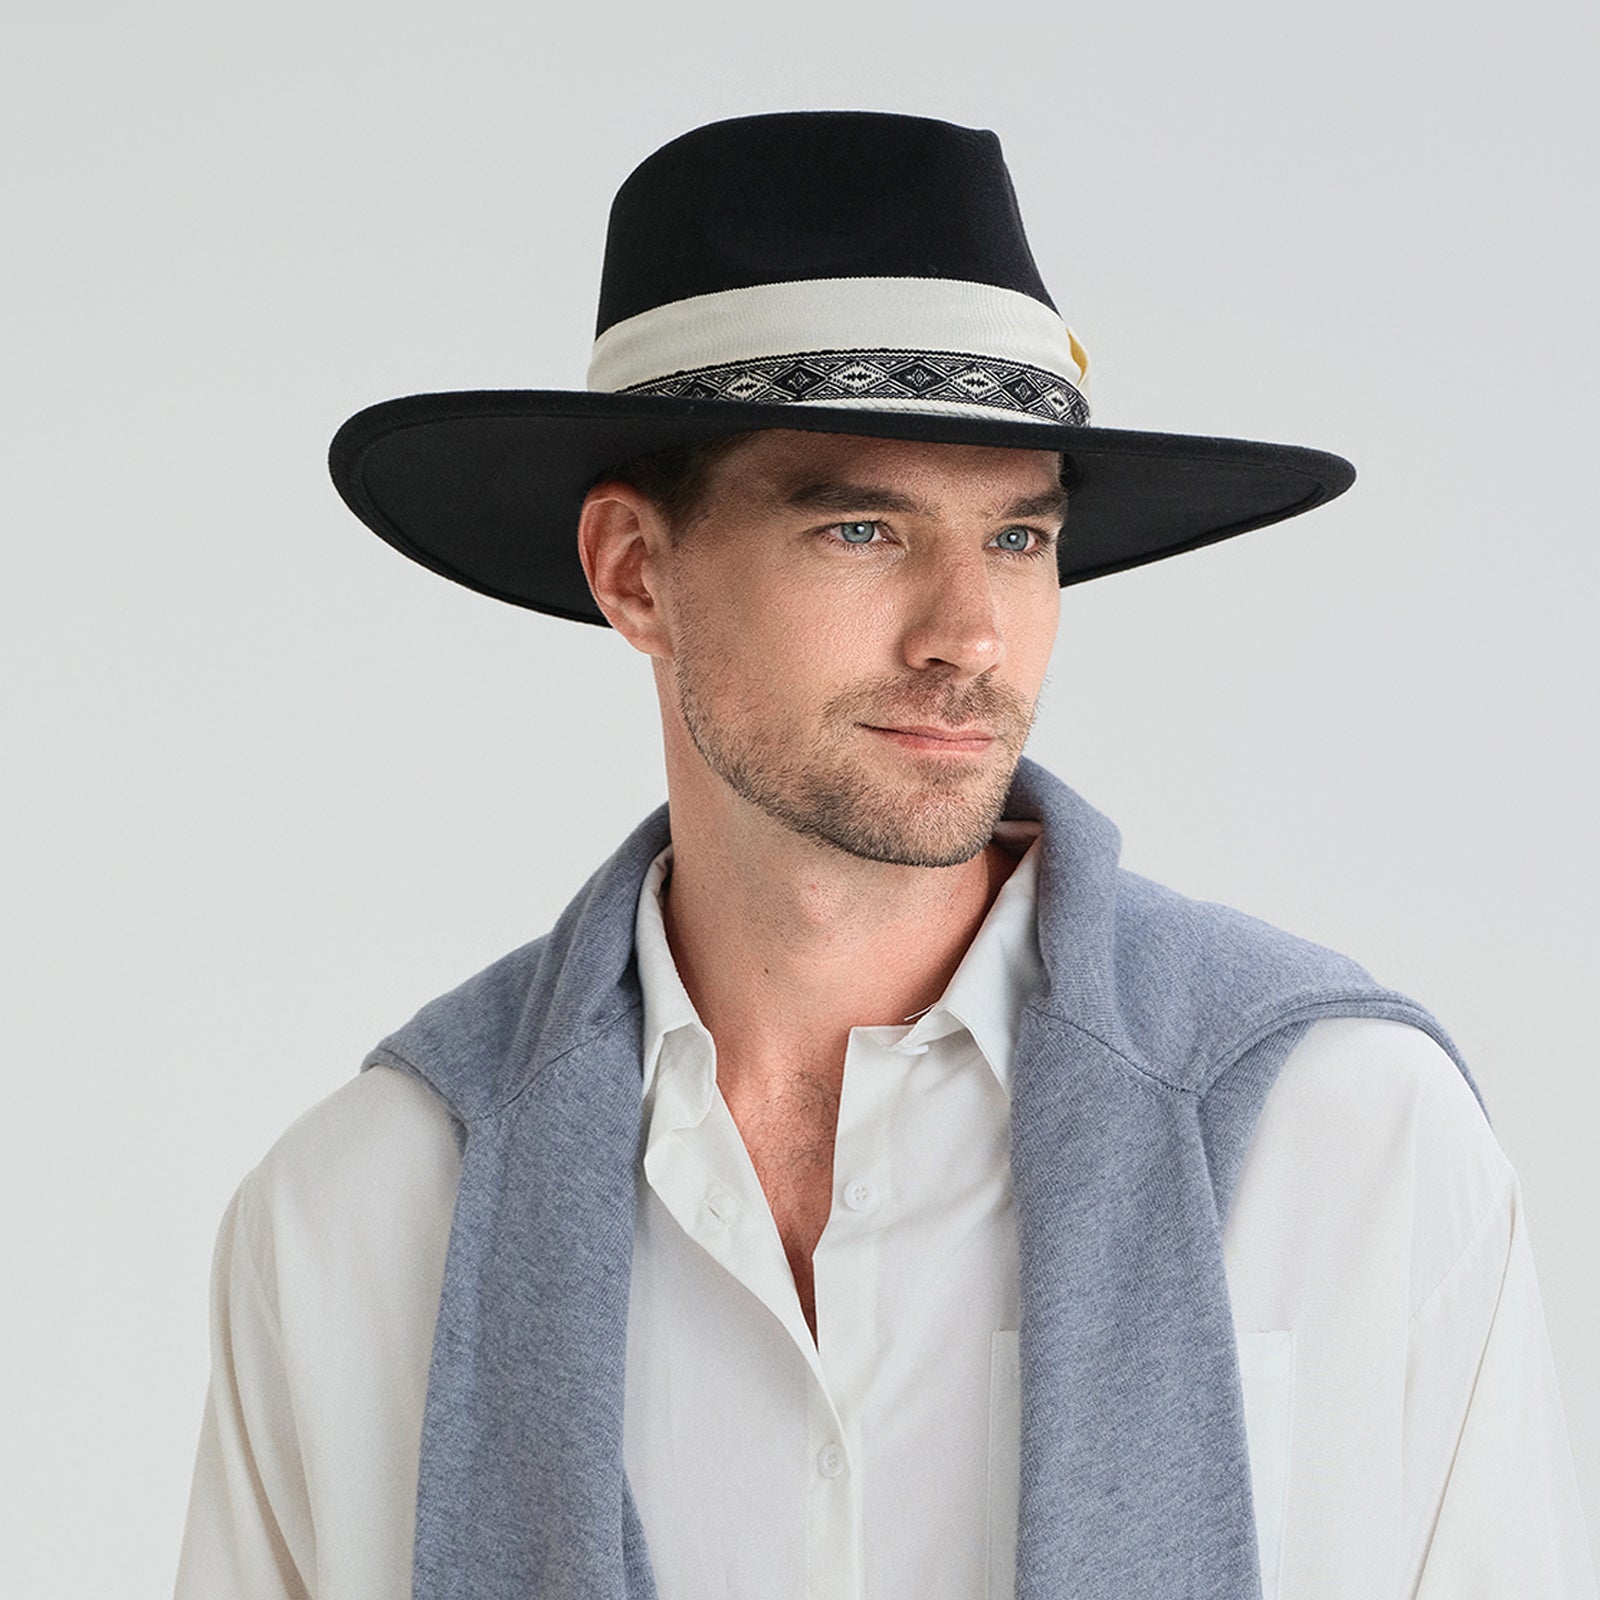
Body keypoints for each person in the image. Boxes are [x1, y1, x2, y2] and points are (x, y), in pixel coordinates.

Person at [174, 112, 1596, 1600]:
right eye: (862, 529)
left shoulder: (1353, 1141)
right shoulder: (361, 1219)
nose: (968, 637)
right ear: (635, 572)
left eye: (1019, 539)